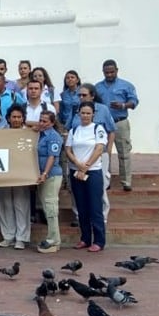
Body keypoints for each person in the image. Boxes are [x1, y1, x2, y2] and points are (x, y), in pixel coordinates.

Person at [65, 101, 108, 252]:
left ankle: (99, 240)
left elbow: (99, 148)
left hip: (93, 172)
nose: (85, 116)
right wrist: (78, 164)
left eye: (88, 113)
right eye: (83, 113)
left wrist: (87, 165)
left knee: (95, 207)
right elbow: (68, 149)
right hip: (76, 171)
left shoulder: (98, 129)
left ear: (93, 114)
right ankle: (85, 238)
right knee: (81, 206)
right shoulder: (74, 130)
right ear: (78, 114)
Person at [95, 59, 138, 191]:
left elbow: (134, 102)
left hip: (120, 122)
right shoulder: (97, 87)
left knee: (124, 152)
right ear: (103, 72)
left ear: (117, 70)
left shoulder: (126, 85)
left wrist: (123, 105)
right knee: (103, 153)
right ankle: (106, 180)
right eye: (106, 72)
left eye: (111, 72)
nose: (109, 75)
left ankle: (126, 181)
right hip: (103, 125)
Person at [0, 106, 32, 250]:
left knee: (21, 205)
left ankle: (21, 238)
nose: (16, 119)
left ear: (23, 118)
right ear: (8, 118)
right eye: (13, 117)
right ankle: (8, 236)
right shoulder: (2, 133)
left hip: (21, 174)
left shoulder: (29, 133)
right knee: (5, 204)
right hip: (4, 173)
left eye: (19, 117)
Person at [35, 111, 64, 253]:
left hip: (51, 176)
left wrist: (45, 173)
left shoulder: (54, 137)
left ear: (52, 123)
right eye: (40, 120)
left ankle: (55, 241)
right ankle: (51, 237)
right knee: (46, 207)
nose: (41, 123)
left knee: (51, 207)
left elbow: (52, 157)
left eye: (45, 121)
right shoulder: (39, 135)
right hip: (41, 176)